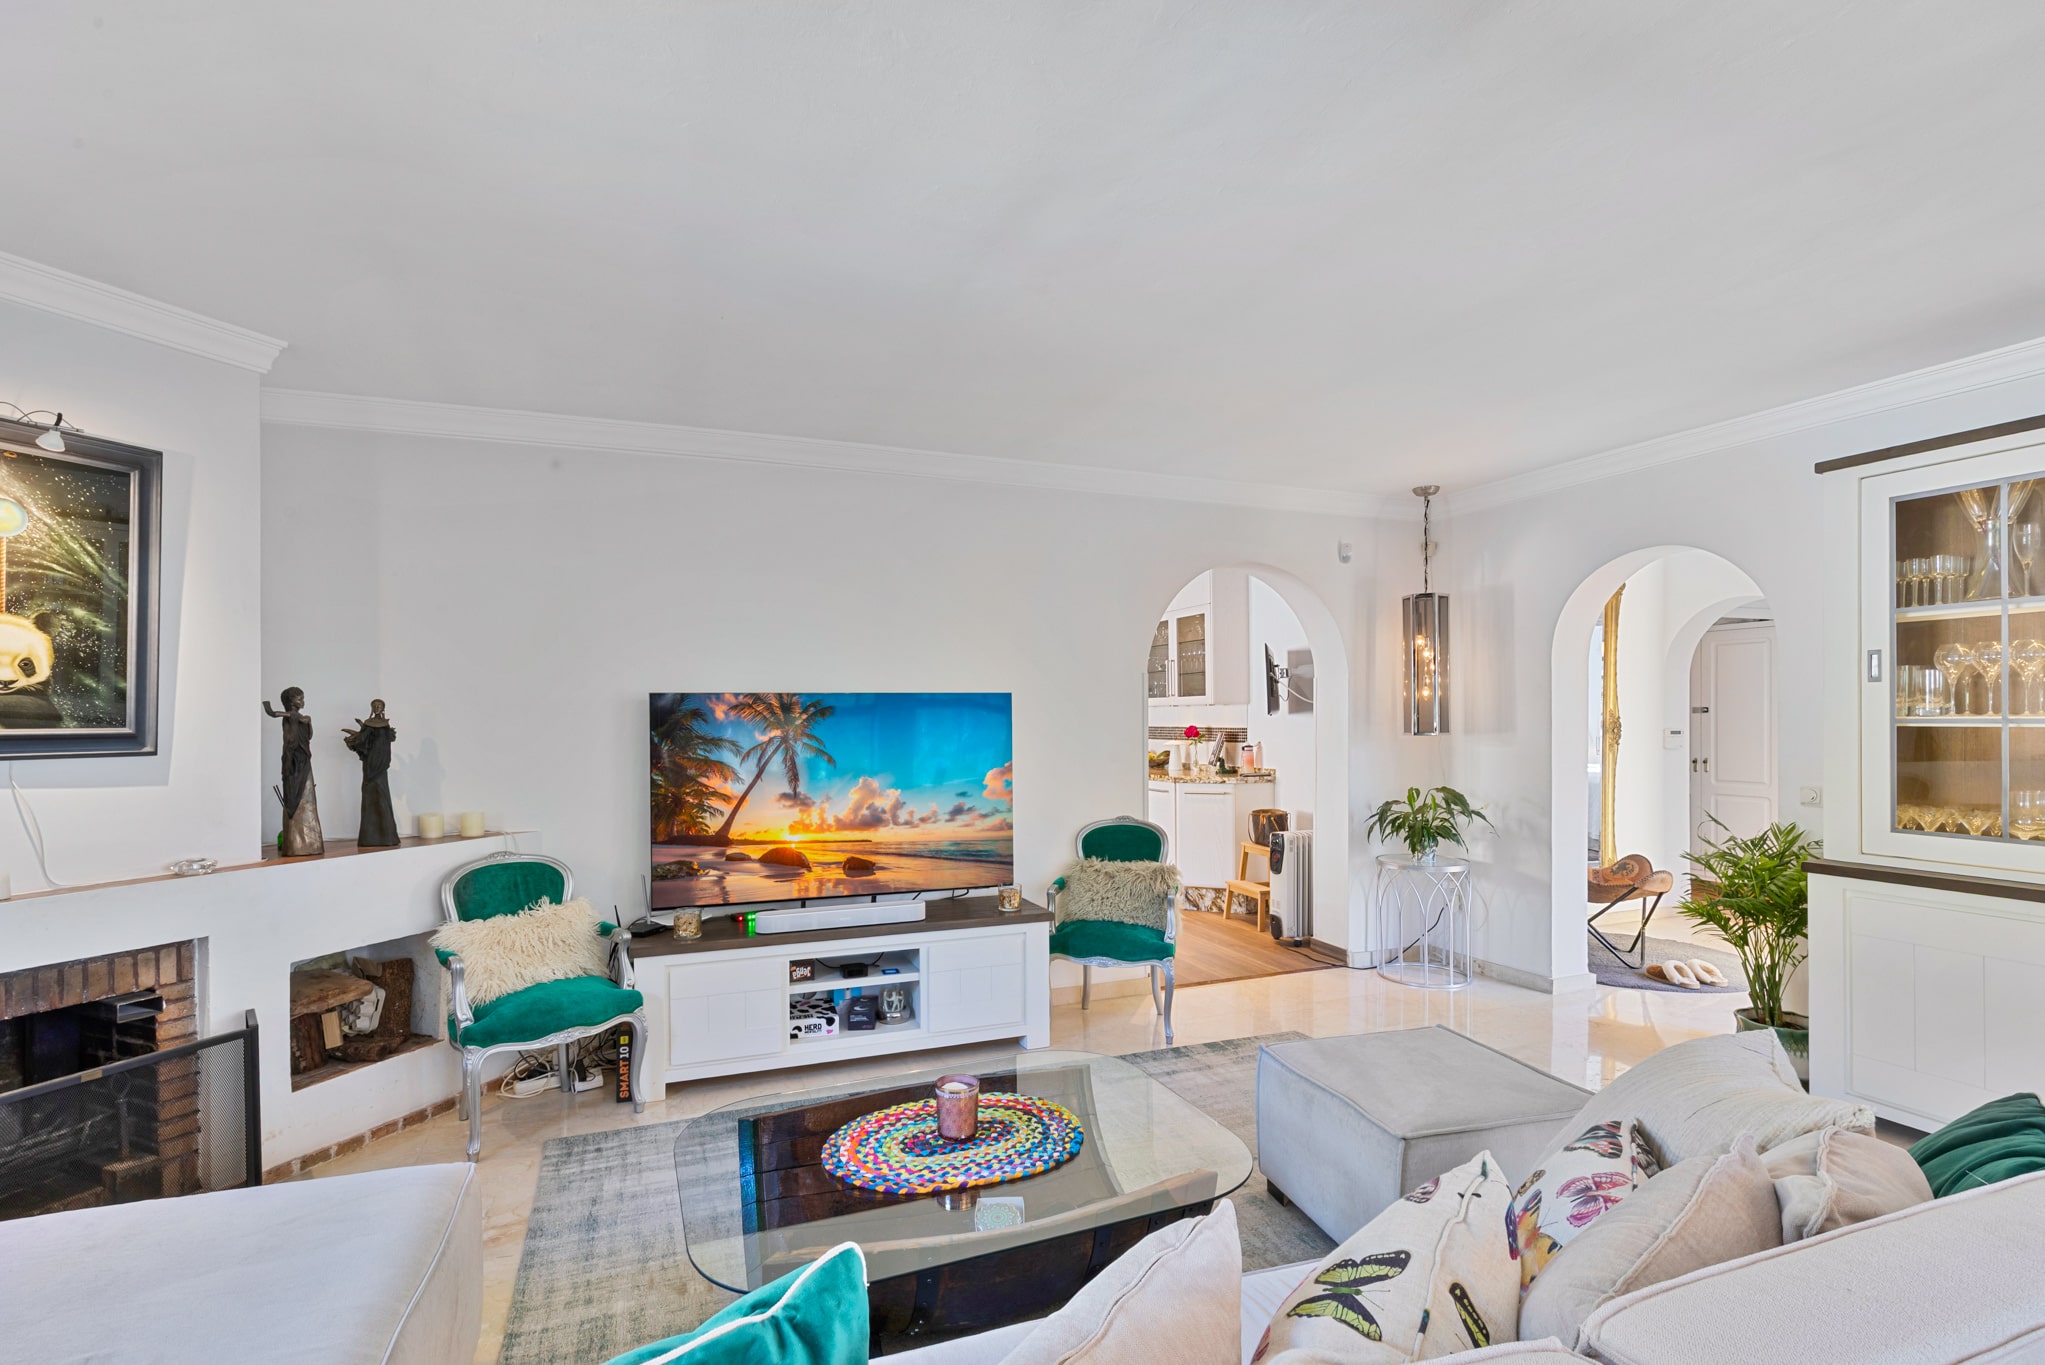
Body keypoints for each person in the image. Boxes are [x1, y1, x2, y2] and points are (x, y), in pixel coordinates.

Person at [343, 699, 399, 847]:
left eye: (379, 705)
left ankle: (387, 836)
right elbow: (362, 741)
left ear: (383, 708)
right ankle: (369, 837)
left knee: (383, 796)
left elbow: (388, 741)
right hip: (370, 766)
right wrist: (354, 739)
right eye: (374, 706)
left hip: (382, 766)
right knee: (370, 797)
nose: (377, 707)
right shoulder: (368, 724)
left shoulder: (385, 725)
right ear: (372, 708)